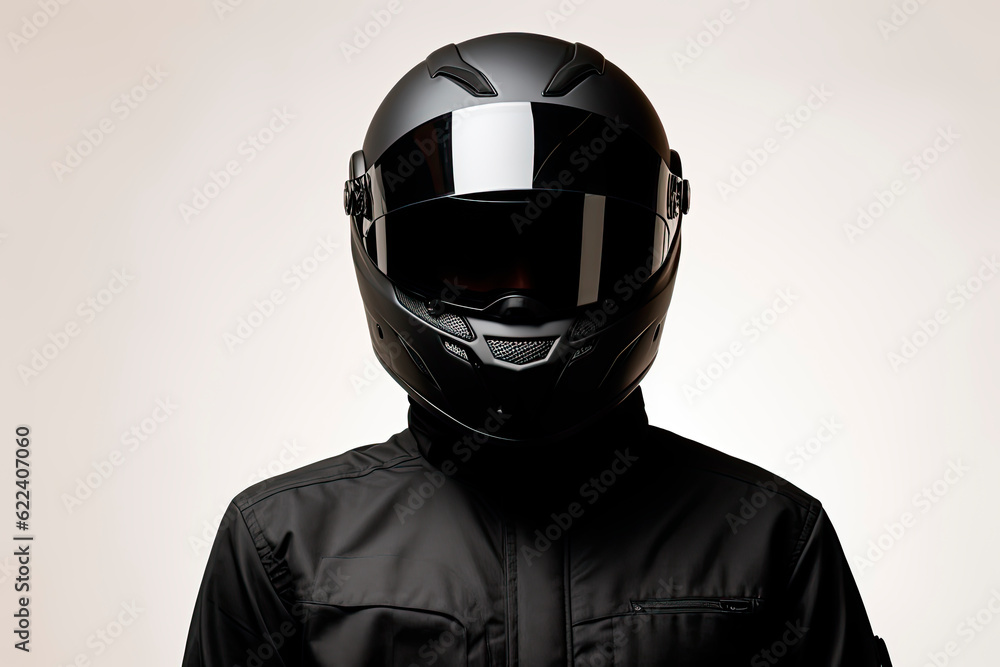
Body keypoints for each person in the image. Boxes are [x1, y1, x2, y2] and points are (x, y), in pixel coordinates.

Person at [181, 32, 893, 666]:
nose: (519, 299)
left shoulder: (769, 541)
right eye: (478, 260)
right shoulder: (283, 545)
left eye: (558, 255)